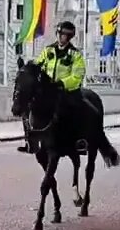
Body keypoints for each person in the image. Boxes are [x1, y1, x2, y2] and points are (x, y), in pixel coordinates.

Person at [32, 20, 90, 152]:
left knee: (77, 109)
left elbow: (77, 76)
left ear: (69, 37)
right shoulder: (48, 50)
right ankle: (30, 138)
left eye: (62, 34)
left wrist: (62, 83)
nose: (59, 36)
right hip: (47, 89)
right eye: (58, 33)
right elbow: (38, 64)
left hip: (66, 91)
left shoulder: (76, 55)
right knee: (30, 105)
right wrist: (31, 69)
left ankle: (79, 140)